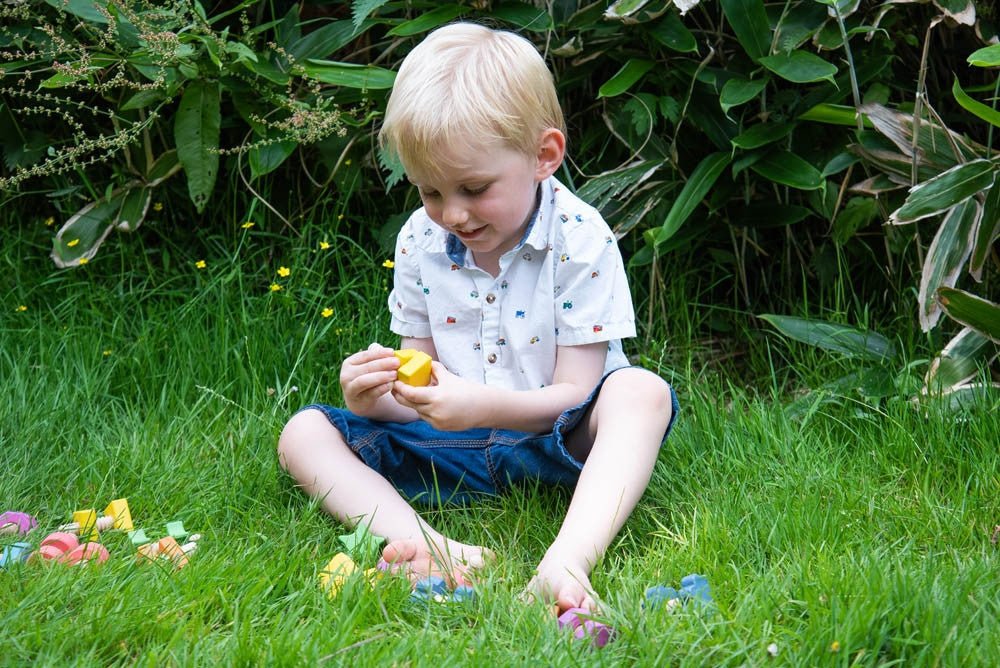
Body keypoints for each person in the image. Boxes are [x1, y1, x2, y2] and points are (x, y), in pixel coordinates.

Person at [277, 21, 679, 613]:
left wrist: (479, 406)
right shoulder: (420, 240)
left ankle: (568, 558)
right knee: (303, 433)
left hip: (558, 442)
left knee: (641, 393)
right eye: (430, 191)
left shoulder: (580, 238)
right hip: (448, 446)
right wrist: (373, 397)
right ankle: (427, 543)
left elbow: (577, 391)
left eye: (473, 187)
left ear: (543, 156)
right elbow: (425, 384)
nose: (453, 213)